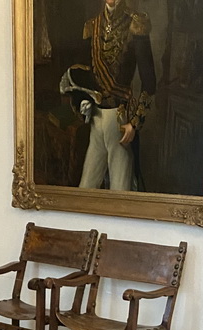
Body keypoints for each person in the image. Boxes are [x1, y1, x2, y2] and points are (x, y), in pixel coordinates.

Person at [61, 0, 156, 191]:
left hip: (120, 119)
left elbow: (149, 82)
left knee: (121, 192)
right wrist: (83, 101)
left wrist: (134, 123)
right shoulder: (91, 26)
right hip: (96, 118)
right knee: (86, 189)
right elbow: (83, 74)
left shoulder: (136, 23)